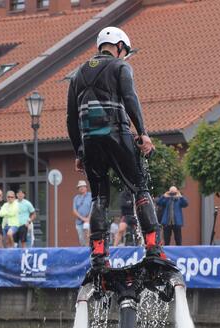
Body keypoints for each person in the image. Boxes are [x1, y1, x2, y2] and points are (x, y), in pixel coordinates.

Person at [66, 26, 165, 268]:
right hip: (117, 135)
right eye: (124, 51)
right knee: (139, 187)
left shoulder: (77, 74)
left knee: (99, 196)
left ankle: (99, 255)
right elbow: (130, 98)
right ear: (119, 46)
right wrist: (142, 133)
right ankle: (153, 248)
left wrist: (79, 151)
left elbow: (71, 119)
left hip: (90, 141)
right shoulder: (120, 67)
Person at [72, 180, 92, 247]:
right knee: (81, 239)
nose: (81, 188)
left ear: (86, 187)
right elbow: (74, 211)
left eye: (82, 186)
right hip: (79, 221)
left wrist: (88, 218)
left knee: (86, 229)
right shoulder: (76, 198)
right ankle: (84, 249)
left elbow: (93, 207)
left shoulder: (91, 196)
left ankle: (88, 248)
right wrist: (83, 218)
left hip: (89, 220)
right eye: (79, 187)